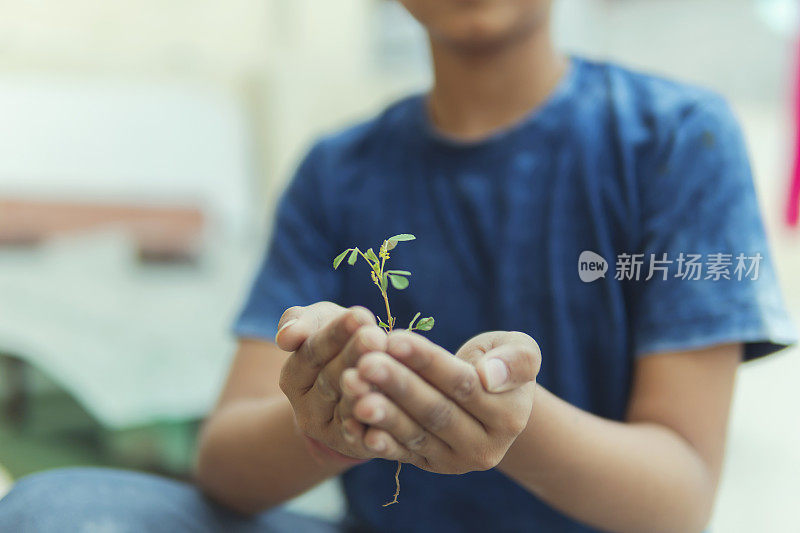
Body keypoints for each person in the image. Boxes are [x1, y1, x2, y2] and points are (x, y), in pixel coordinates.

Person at [1, 1, 796, 532]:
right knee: (56, 507)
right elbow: (226, 461)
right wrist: (329, 421)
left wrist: (515, 424)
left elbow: (679, 496)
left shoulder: (677, 140)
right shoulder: (338, 170)